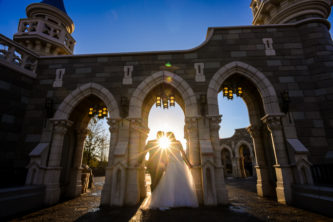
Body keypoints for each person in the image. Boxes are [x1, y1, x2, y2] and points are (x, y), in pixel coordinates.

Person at [148, 132, 198, 210]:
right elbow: (183, 154)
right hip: (178, 163)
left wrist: (165, 164)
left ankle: (172, 201)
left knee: (171, 183)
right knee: (180, 182)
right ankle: (181, 200)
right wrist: (188, 164)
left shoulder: (169, 144)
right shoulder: (177, 143)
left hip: (173, 164)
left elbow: (166, 155)